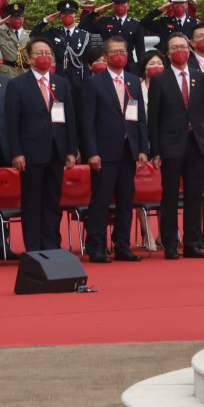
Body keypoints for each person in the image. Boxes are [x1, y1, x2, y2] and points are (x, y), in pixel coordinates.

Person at [1, 37, 77, 253]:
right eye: (40, 54)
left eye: (48, 54)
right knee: (32, 202)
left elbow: (70, 118)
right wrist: (16, 152)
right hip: (31, 153)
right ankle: (34, 247)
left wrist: (71, 149)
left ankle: (51, 243)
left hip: (56, 150)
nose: (45, 57)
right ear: (30, 58)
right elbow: (12, 122)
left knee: (53, 201)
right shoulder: (18, 84)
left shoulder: (60, 83)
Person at [79, 38, 146, 263]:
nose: (120, 55)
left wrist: (142, 148)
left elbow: (140, 118)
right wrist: (91, 152)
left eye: (123, 51)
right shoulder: (94, 83)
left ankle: (122, 246)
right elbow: (87, 121)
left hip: (128, 150)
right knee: (101, 200)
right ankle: (96, 247)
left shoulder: (134, 81)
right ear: (105, 57)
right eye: (115, 52)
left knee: (126, 201)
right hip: (104, 152)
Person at [146, 34, 204, 259]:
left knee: (196, 195)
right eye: (175, 47)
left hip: (197, 144)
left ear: (190, 50)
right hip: (170, 146)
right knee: (170, 196)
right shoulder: (160, 80)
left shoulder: (199, 77)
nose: (180, 51)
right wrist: (155, 151)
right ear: (168, 53)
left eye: (183, 46)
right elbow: (153, 118)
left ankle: (192, 242)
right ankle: (171, 242)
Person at [97, 0, 148, 67]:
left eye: (123, 3)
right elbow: (84, 26)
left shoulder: (136, 24)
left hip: (129, 65)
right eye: (117, 3)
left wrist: (141, 71)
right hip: (108, 64)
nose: (120, 6)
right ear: (112, 6)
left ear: (128, 5)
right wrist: (95, 12)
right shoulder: (104, 21)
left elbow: (140, 50)